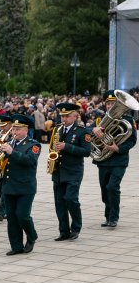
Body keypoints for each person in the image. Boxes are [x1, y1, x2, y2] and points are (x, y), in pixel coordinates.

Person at [91, 90, 137, 228]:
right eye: (108, 103)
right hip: (103, 160)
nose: (110, 106)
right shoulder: (99, 120)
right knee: (105, 191)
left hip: (119, 160)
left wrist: (118, 148)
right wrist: (92, 130)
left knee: (112, 187)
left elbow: (132, 140)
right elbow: (88, 135)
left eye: (113, 103)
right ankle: (108, 216)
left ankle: (114, 217)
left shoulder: (128, 120)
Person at [0, 115, 40, 256]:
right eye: (13, 128)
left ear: (26, 129)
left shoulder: (33, 144)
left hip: (25, 186)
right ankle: (16, 246)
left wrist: (12, 152)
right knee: (11, 218)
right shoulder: (9, 142)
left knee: (22, 215)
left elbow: (30, 160)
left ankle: (32, 235)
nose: (14, 131)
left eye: (18, 129)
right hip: (9, 185)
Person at [50, 103, 91, 241]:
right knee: (59, 202)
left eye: (67, 116)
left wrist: (67, 146)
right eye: (62, 116)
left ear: (75, 116)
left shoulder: (82, 131)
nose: (64, 119)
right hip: (59, 171)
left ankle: (76, 228)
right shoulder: (58, 129)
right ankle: (63, 231)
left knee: (70, 199)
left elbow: (86, 152)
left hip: (74, 171)